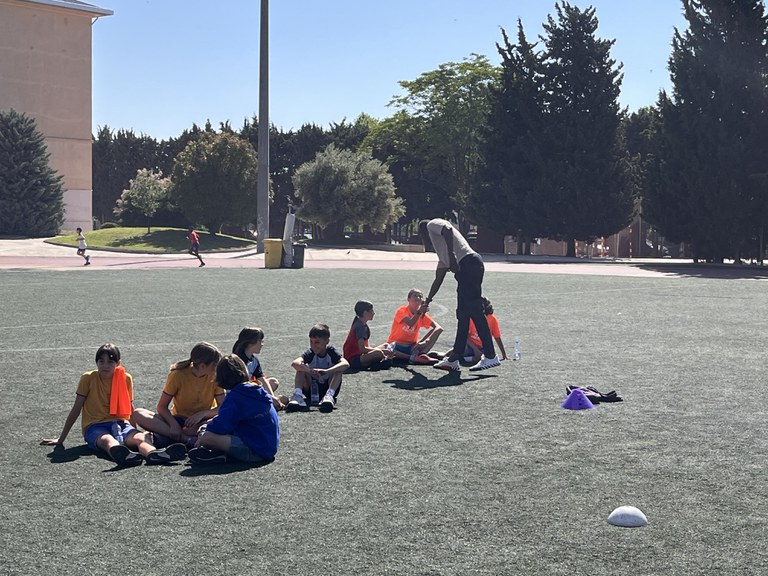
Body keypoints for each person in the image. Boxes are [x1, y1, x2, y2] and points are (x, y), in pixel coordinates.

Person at [41, 344, 187, 466]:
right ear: (96, 363)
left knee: (142, 437)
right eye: (101, 361)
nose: (105, 365)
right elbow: (76, 408)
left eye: (110, 362)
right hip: (95, 426)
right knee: (107, 440)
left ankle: (152, 454)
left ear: (118, 363)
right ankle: (120, 453)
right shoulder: (88, 378)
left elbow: (129, 406)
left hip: (121, 424)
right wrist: (61, 439)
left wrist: (133, 429)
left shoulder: (125, 378)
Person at [419, 218, 501, 372]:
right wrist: (427, 301)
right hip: (469, 267)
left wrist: (452, 256)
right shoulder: (442, 255)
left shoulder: (431, 225)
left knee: (476, 313)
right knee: (463, 316)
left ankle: (490, 355)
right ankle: (454, 358)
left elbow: (448, 229)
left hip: (468, 264)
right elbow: (438, 279)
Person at [187, 354, 280, 465]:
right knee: (212, 424)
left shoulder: (235, 397)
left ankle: (221, 456)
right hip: (268, 448)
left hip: (255, 451)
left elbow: (222, 426)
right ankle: (220, 455)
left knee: (207, 437)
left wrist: (204, 430)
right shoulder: (255, 389)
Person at [130, 342, 224, 451]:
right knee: (138, 413)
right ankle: (186, 439)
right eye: (215, 366)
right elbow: (162, 407)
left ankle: (169, 438)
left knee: (221, 422)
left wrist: (202, 414)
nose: (217, 369)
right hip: (179, 420)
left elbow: (222, 408)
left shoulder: (215, 377)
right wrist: (173, 424)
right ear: (202, 366)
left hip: (201, 423)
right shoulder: (178, 375)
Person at [287, 323, 349, 413]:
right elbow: (295, 363)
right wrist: (310, 371)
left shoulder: (331, 351)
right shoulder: (310, 353)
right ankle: (297, 395)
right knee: (301, 368)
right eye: (311, 342)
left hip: (328, 385)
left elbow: (346, 364)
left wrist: (326, 371)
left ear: (327, 341)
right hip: (311, 388)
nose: (313, 345)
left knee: (338, 369)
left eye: (317, 342)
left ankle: (329, 395)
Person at [232, 327, 287, 409]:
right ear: (250, 343)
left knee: (273, 382)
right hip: (239, 392)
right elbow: (239, 387)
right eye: (260, 341)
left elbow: (261, 379)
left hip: (249, 390)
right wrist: (270, 398)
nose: (262, 344)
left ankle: (269, 400)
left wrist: (272, 397)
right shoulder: (237, 361)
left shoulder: (254, 360)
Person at [387, 288, 442, 364]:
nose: (418, 298)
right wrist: (419, 312)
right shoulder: (401, 310)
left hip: (412, 346)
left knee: (437, 331)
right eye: (415, 296)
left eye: (420, 296)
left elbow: (438, 328)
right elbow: (410, 323)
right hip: (396, 345)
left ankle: (422, 354)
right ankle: (413, 357)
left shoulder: (422, 315)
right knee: (388, 349)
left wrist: (426, 341)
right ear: (408, 299)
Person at [342, 300, 395, 370]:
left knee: (386, 345)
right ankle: (377, 363)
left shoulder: (362, 324)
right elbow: (362, 349)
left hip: (360, 355)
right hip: (353, 359)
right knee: (378, 353)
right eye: (371, 311)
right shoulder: (359, 326)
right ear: (365, 313)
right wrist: (383, 352)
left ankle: (374, 362)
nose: (373, 313)